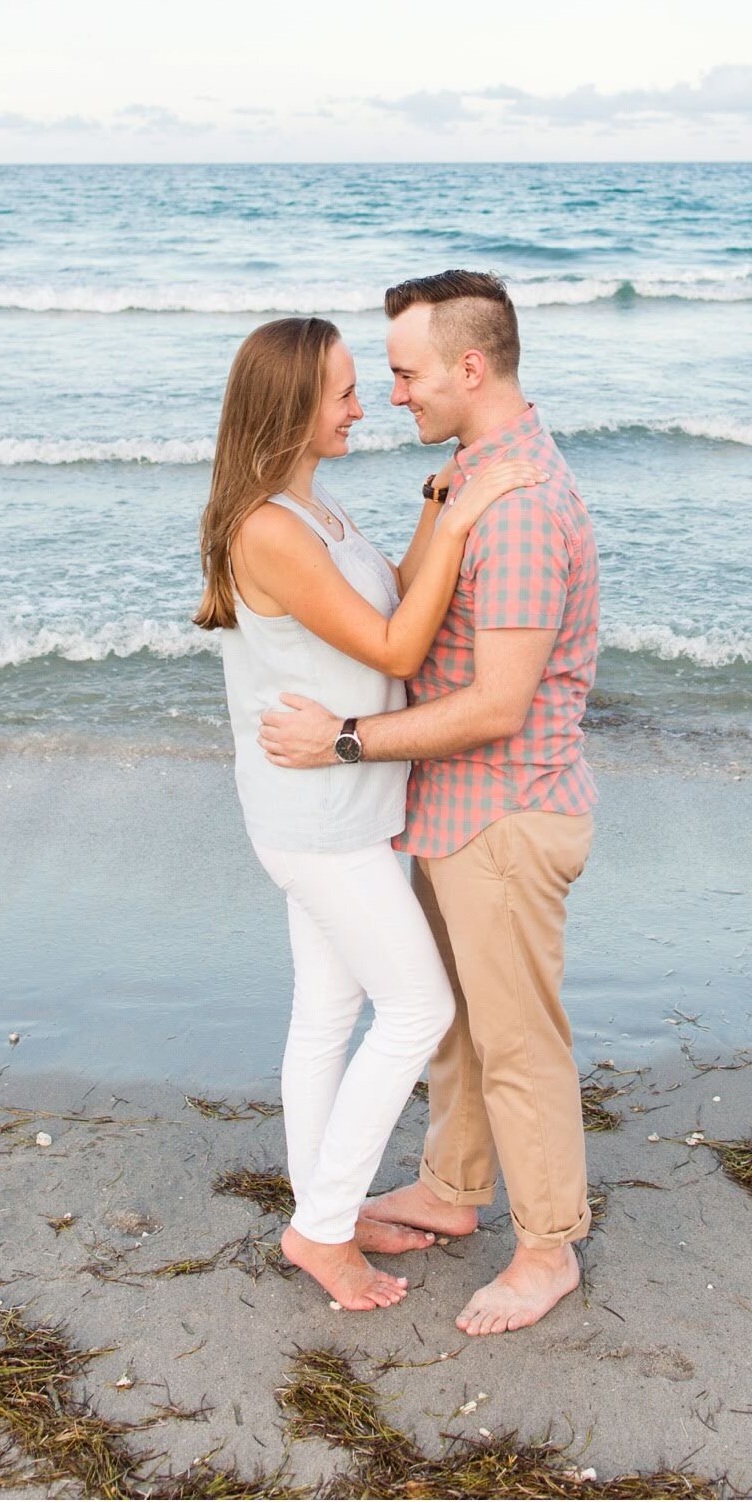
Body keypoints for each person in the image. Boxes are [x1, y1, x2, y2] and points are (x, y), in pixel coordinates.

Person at [258, 269, 599, 1336]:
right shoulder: (467, 479)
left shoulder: (524, 507)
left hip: (503, 810)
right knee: (453, 1027)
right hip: (450, 808)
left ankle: (548, 1248)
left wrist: (348, 741)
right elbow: (413, 620)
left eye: (402, 372)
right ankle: (453, 1190)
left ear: (469, 365)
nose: (392, 392)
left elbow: (497, 704)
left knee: (515, 1040)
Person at [195, 312, 540, 1311]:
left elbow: (387, 590)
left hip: (334, 806)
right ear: (292, 408)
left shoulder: (314, 509)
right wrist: (471, 518)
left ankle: (326, 1208)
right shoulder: (267, 526)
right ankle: (321, 1231)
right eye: (343, 392)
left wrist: (440, 499)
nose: (362, 406)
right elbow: (394, 646)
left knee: (329, 1012)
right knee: (419, 1009)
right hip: (319, 820)